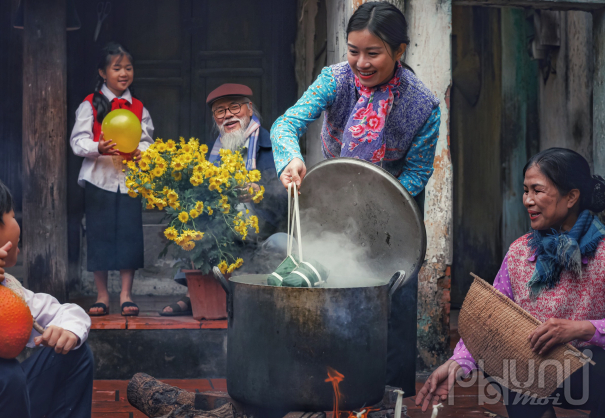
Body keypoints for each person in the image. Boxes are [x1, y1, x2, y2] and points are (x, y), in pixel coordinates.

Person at [270, 2, 441, 396]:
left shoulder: (423, 105)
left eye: (373, 52)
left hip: (396, 203)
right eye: (353, 50)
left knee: (394, 295)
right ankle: (329, 381)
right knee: (328, 282)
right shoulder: (335, 80)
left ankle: (388, 395)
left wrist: (374, 213)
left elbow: (417, 172)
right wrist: (291, 158)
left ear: (399, 51)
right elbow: (287, 123)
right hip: (335, 193)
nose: (360, 62)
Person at [416, 148, 605, 418]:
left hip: (593, 373)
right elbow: (491, 320)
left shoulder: (603, 253)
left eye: (537, 190)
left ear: (572, 196)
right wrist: (458, 363)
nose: (527, 200)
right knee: (507, 362)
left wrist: (581, 329)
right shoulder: (520, 253)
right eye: (525, 190)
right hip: (535, 372)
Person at [0, 169, 93, 418]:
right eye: (12, 215)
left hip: (6, 402)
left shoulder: (7, 286)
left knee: (75, 353)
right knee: (3, 373)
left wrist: (68, 330)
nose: (19, 224)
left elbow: (65, 312)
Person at [160, 83, 288, 316]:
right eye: (220, 111)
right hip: (222, 238)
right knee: (191, 221)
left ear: (250, 110)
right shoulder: (210, 153)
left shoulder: (275, 145)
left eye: (234, 107)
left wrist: (261, 191)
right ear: (215, 118)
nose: (228, 114)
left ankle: (267, 301)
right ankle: (194, 294)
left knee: (285, 243)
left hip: (262, 238)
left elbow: (287, 195)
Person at [70, 42, 154, 317]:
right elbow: (77, 141)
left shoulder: (139, 107)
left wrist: (144, 153)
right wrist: (98, 148)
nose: (123, 73)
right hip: (99, 179)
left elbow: (147, 141)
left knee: (130, 235)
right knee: (100, 235)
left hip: (130, 181)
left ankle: (127, 295)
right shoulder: (90, 104)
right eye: (116, 68)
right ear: (102, 72)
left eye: (128, 68)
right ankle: (102, 295)